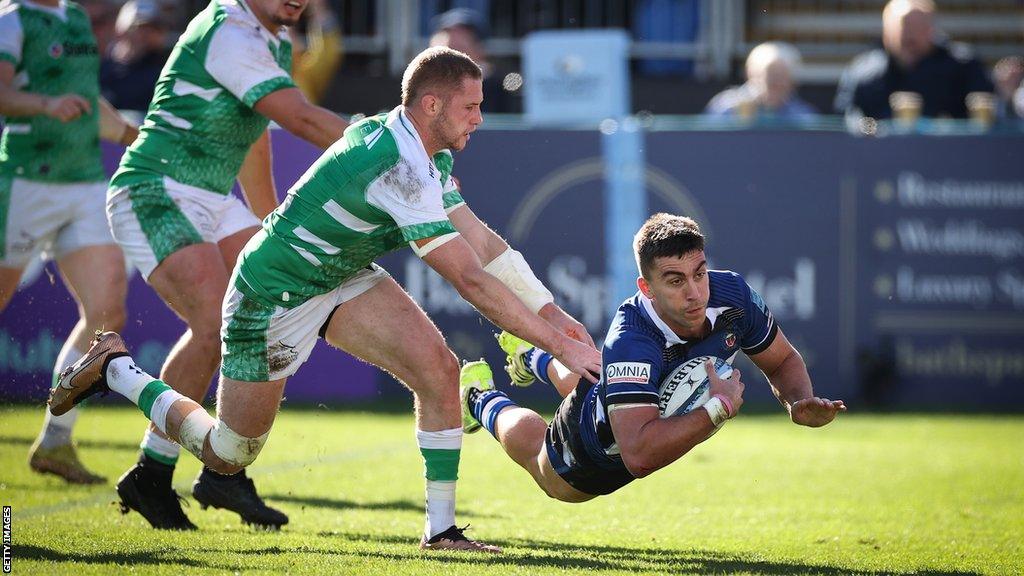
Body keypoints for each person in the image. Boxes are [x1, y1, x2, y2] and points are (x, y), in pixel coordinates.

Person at [51, 46, 601, 551]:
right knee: (229, 453)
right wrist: (560, 348)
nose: (480, 117)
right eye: (471, 106)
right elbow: (471, 280)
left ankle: (442, 532)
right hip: (272, 292)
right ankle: (116, 370)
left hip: (340, 275)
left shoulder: (427, 151)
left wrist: (553, 315)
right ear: (431, 104)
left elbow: (482, 242)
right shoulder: (399, 165)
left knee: (441, 371)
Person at [103, 0, 349, 531]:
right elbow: (300, 117)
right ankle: (166, 469)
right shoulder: (229, 31)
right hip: (156, 187)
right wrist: (396, 148)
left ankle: (212, 471)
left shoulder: (273, 36)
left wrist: (267, 223)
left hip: (210, 197)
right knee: (216, 327)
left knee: (265, 312)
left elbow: (255, 132)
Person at [459, 213, 846, 502]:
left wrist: (798, 401)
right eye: (676, 281)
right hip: (590, 450)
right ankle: (479, 398)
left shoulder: (733, 296)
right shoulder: (631, 341)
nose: (695, 292)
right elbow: (639, 456)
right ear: (648, 288)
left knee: (591, 373)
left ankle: (531, 356)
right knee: (540, 463)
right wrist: (719, 406)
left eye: (700, 273)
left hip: (612, 389)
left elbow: (781, 361)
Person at [1, 0, 139, 485]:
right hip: (23, 181)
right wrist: (44, 105)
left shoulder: (76, 19)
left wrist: (130, 135)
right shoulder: (11, 18)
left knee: (107, 317)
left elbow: (83, 98)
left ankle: (55, 443)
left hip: (83, 184)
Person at [834, 0, 994, 121]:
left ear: (932, 30)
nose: (911, 37)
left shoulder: (963, 65)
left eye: (919, 28)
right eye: (903, 29)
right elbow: (848, 117)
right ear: (886, 33)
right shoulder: (863, 71)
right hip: (881, 155)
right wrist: (870, 129)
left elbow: (984, 115)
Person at [429, 7, 517, 113]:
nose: (451, 59)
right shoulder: (418, 84)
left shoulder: (500, 87)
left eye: (459, 50)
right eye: (445, 50)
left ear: (480, 50)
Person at [705, 42, 816, 122]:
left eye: (783, 76)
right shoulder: (726, 108)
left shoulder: (801, 114)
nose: (777, 82)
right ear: (752, 74)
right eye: (771, 75)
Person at [99, 0, 172, 112]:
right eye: (139, 29)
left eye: (153, 29)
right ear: (122, 31)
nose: (146, 36)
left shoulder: (165, 72)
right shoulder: (102, 71)